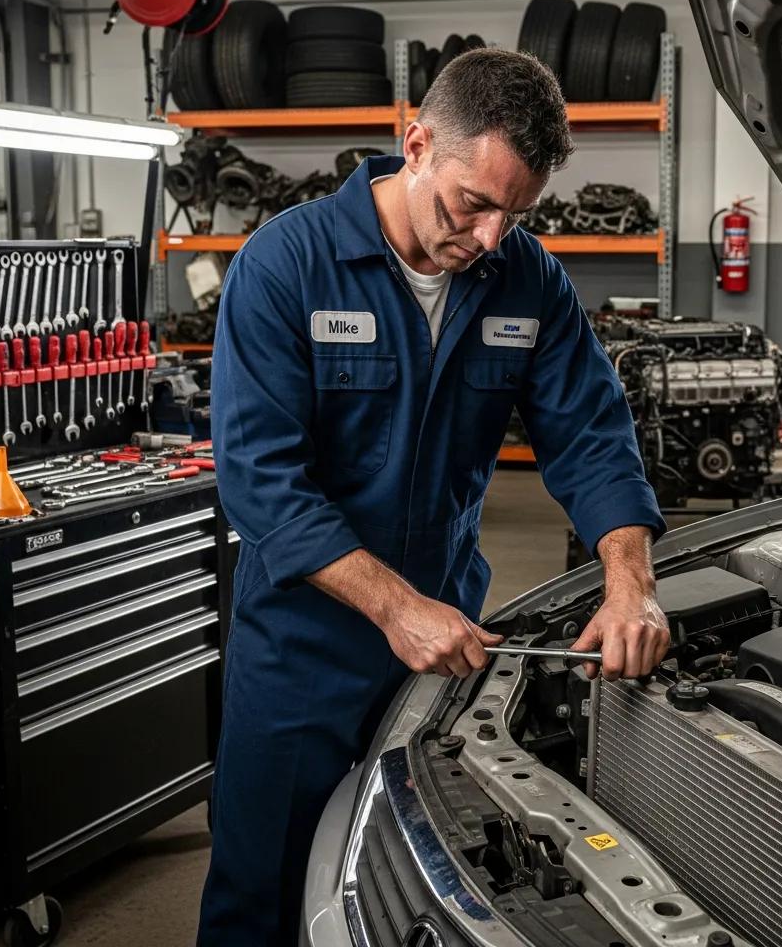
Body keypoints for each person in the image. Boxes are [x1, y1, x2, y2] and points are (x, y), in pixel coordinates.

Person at [199, 47, 668, 945]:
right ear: (414, 144)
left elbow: (592, 434)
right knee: (262, 891)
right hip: (304, 649)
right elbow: (260, 481)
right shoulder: (286, 266)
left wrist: (628, 579)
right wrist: (394, 606)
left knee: (405, 888)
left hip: (447, 638)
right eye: (474, 202)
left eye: (516, 211)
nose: (492, 236)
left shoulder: (526, 277)